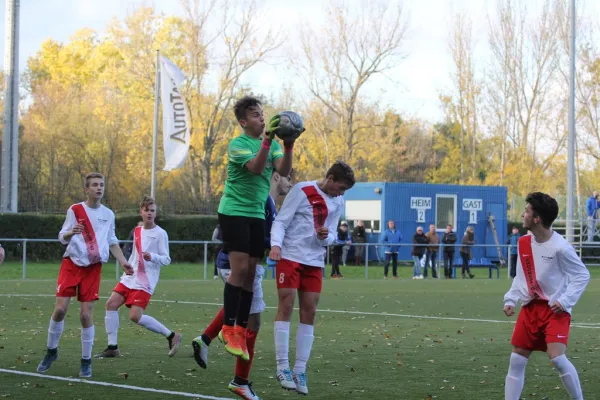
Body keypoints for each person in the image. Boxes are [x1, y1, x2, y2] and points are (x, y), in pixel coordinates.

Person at [192, 170, 293, 400]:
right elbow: (254, 236)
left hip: (238, 265)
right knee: (253, 323)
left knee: (242, 310)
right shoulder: (264, 200)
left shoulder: (268, 202)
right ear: (276, 177)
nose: (291, 183)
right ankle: (240, 381)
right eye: (288, 177)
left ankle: (205, 340)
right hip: (239, 266)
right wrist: (279, 240)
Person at [217, 96, 297, 362]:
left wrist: (288, 145)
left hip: (255, 213)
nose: (262, 118)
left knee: (252, 274)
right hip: (234, 211)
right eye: (255, 115)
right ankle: (228, 328)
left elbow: (283, 171)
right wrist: (267, 141)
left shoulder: (272, 144)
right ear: (243, 122)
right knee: (239, 270)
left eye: (262, 113)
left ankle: (239, 328)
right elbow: (256, 168)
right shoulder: (237, 144)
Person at [270, 161, 355, 395]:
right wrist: (276, 245)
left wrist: (325, 237)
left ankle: (300, 369)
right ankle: (282, 366)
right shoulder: (302, 190)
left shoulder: (338, 201)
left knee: (310, 312)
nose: (341, 193)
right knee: (286, 306)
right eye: (340, 188)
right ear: (329, 178)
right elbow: (281, 220)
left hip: (314, 261)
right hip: (290, 256)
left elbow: (332, 235)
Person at [36, 173, 132, 378]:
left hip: (93, 269)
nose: (99, 188)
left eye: (102, 185)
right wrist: (72, 232)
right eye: (95, 185)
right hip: (71, 264)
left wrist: (123, 261)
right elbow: (62, 236)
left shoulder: (109, 214)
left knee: (86, 315)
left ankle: (86, 360)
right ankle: (51, 351)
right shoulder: (75, 209)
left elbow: (112, 240)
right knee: (60, 310)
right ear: (86, 189)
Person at [503, 192, 590, 400]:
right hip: (531, 308)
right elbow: (520, 276)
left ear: (537, 219)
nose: (523, 215)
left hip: (555, 310)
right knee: (516, 359)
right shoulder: (523, 242)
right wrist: (510, 298)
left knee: (557, 358)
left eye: (526, 211)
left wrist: (565, 300)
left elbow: (582, 275)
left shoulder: (561, 247)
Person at [95, 196, 181, 359]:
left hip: (145, 281)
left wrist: (153, 257)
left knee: (135, 316)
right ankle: (112, 347)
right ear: (141, 212)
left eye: (152, 210)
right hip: (130, 277)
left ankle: (172, 336)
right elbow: (134, 255)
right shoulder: (136, 231)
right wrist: (127, 265)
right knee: (111, 304)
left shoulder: (160, 233)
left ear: (156, 213)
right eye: (146, 210)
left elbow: (167, 259)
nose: (149, 213)